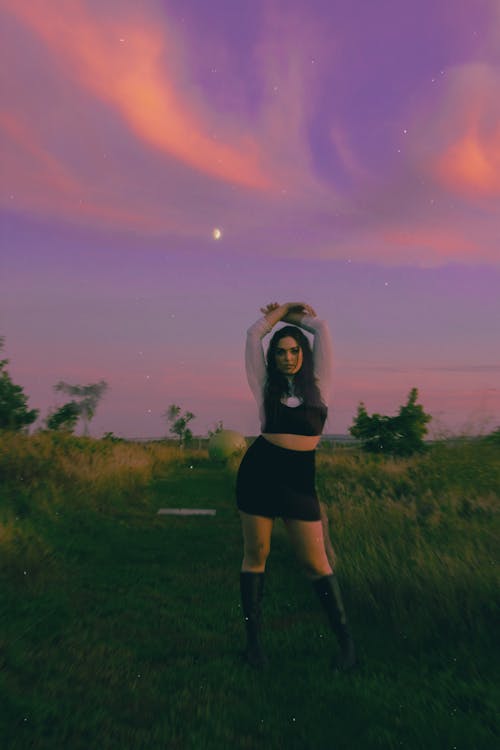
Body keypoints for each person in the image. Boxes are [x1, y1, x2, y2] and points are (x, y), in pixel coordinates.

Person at [236, 301, 357, 672]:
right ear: (272, 357)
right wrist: (283, 309)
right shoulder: (264, 385)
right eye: (281, 352)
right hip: (260, 473)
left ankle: (347, 648)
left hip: (299, 482)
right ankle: (254, 647)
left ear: (303, 353)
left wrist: (292, 317)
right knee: (257, 554)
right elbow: (253, 333)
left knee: (315, 561)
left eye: (294, 351)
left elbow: (321, 327)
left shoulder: (321, 385)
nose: (288, 358)